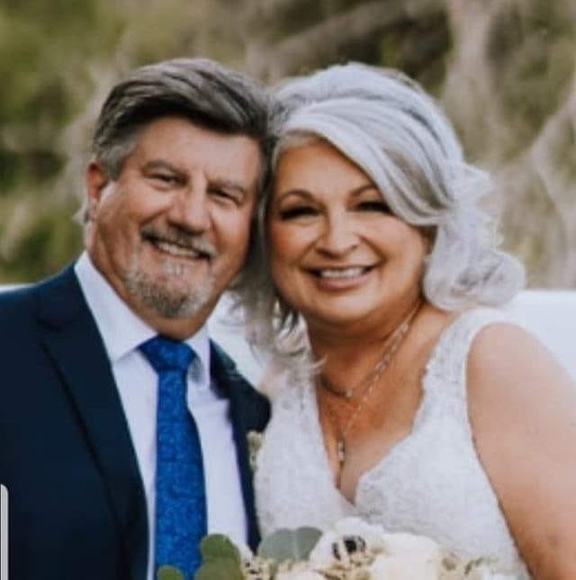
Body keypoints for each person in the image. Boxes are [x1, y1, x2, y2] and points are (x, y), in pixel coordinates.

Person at [239, 63, 576, 578]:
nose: (337, 241)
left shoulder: (491, 361)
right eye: (300, 211)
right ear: (265, 235)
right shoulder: (281, 387)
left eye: (371, 205)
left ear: (427, 221)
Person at [0, 57, 272, 580]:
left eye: (224, 195)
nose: (191, 216)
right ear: (98, 186)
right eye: (166, 179)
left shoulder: (259, 417)